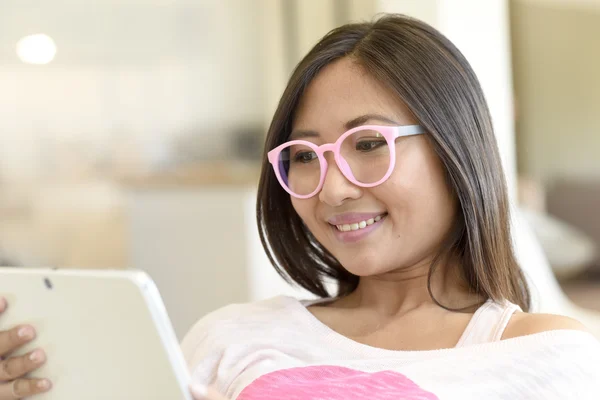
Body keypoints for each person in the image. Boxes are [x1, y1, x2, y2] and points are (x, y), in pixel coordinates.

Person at [1, 13, 599, 400]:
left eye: (368, 145)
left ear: (455, 148)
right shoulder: (232, 337)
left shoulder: (543, 356)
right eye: (305, 157)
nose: (332, 188)